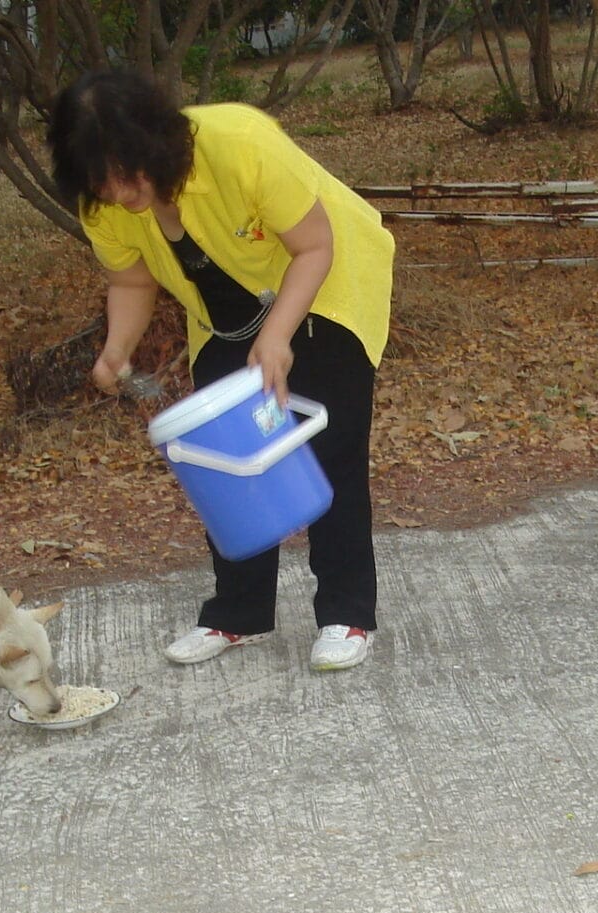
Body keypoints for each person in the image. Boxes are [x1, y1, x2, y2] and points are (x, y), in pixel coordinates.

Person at [48, 69, 394, 672]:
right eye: (103, 184)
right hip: (224, 310)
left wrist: (279, 336)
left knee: (328, 449)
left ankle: (347, 612)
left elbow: (315, 245)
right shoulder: (103, 200)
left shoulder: (240, 144)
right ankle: (240, 614)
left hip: (325, 283)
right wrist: (117, 346)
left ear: (157, 142)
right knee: (223, 457)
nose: (121, 195)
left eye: (129, 176)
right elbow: (130, 278)